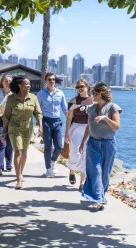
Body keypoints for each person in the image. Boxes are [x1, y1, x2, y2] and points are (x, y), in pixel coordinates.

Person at [78, 82, 122, 210]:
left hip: (108, 144)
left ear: (100, 93)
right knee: (95, 170)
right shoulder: (91, 108)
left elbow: (116, 126)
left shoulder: (112, 107)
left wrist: (104, 118)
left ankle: (101, 196)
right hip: (92, 143)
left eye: (94, 93)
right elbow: (89, 126)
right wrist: (82, 143)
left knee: (105, 173)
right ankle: (98, 198)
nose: (92, 95)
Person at [1, 76, 43, 189]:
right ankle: (19, 179)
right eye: (26, 84)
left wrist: (40, 127)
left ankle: (20, 172)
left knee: (24, 153)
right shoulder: (11, 99)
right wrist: (3, 133)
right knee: (18, 152)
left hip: (27, 129)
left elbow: (38, 113)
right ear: (20, 85)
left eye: (29, 84)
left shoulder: (33, 98)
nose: (29, 86)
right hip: (14, 128)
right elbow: (6, 117)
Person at [64, 79, 93, 191]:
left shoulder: (92, 101)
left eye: (82, 86)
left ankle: (82, 183)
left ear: (87, 87)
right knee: (75, 153)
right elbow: (69, 118)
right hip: (75, 128)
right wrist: (66, 133)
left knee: (86, 155)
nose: (80, 88)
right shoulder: (73, 100)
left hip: (87, 129)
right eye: (78, 87)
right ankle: (72, 170)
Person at [37, 72, 68, 178]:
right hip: (46, 121)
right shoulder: (41, 94)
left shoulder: (60, 93)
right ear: (45, 81)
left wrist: (71, 121)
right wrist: (40, 125)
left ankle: (53, 161)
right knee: (48, 147)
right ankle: (48, 169)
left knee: (59, 146)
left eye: (53, 79)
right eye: (49, 79)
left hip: (57, 122)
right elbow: (38, 110)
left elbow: (65, 109)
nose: (51, 81)